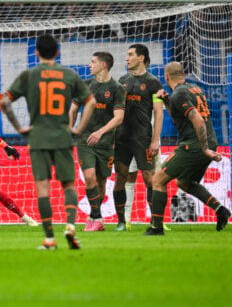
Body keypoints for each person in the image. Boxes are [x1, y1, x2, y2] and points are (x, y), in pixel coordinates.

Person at [1, 34, 96, 250]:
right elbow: (91, 102)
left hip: (38, 137)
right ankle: (70, 226)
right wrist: (78, 129)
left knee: (43, 188)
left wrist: (19, 128)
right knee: (69, 185)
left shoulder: (29, 75)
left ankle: (50, 239)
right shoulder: (69, 75)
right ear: (57, 52)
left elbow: (5, 102)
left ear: (36, 52)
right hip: (63, 136)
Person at [146, 62, 231, 235]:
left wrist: (204, 149)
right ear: (183, 74)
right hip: (208, 142)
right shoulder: (193, 89)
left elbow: (197, 120)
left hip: (193, 145)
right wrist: (167, 101)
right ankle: (220, 210)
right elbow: (181, 119)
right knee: (184, 182)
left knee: (158, 180)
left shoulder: (179, 94)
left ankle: (156, 227)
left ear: (166, 77)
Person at [69, 52, 125, 231]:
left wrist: (100, 132)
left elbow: (119, 117)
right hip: (85, 140)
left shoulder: (117, 88)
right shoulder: (85, 86)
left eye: (93, 62)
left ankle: (94, 218)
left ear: (103, 65)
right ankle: (98, 218)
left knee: (101, 182)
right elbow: (72, 110)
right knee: (89, 176)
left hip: (106, 142)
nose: (89, 65)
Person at [112, 44, 164, 231]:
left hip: (143, 138)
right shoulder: (122, 80)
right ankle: (121, 222)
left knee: (150, 178)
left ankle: (156, 221)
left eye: (130, 55)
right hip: (122, 138)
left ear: (141, 58)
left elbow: (159, 113)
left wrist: (155, 140)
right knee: (120, 177)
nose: (127, 58)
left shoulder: (153, 82)